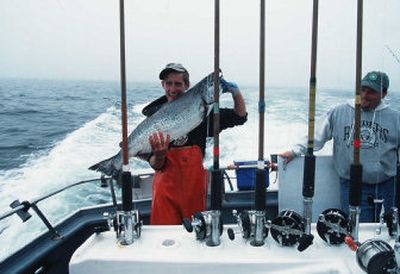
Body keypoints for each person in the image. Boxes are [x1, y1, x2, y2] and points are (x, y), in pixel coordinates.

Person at [280, 71, 400, 222]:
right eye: (362, 89)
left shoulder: (395, 118)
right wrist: (294, 151)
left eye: (371, 92)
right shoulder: (339, 112)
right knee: (358, 230)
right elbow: (316, 135)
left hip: (387, 186)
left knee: (388, 231)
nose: (364, 95)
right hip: (352, 184)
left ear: (384, 94)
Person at [143, 63, 247, 225]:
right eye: (168, 83)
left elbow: (239, 117)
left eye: (178, 84)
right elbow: (155, 165)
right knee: (164, 238)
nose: (172, 88)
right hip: (165, 192)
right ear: (163, 85)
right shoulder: (154, 120)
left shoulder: (203, 114)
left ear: (187, 85)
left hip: (194, 190)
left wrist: (235, 92)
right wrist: (159, 156)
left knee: (195, 236)